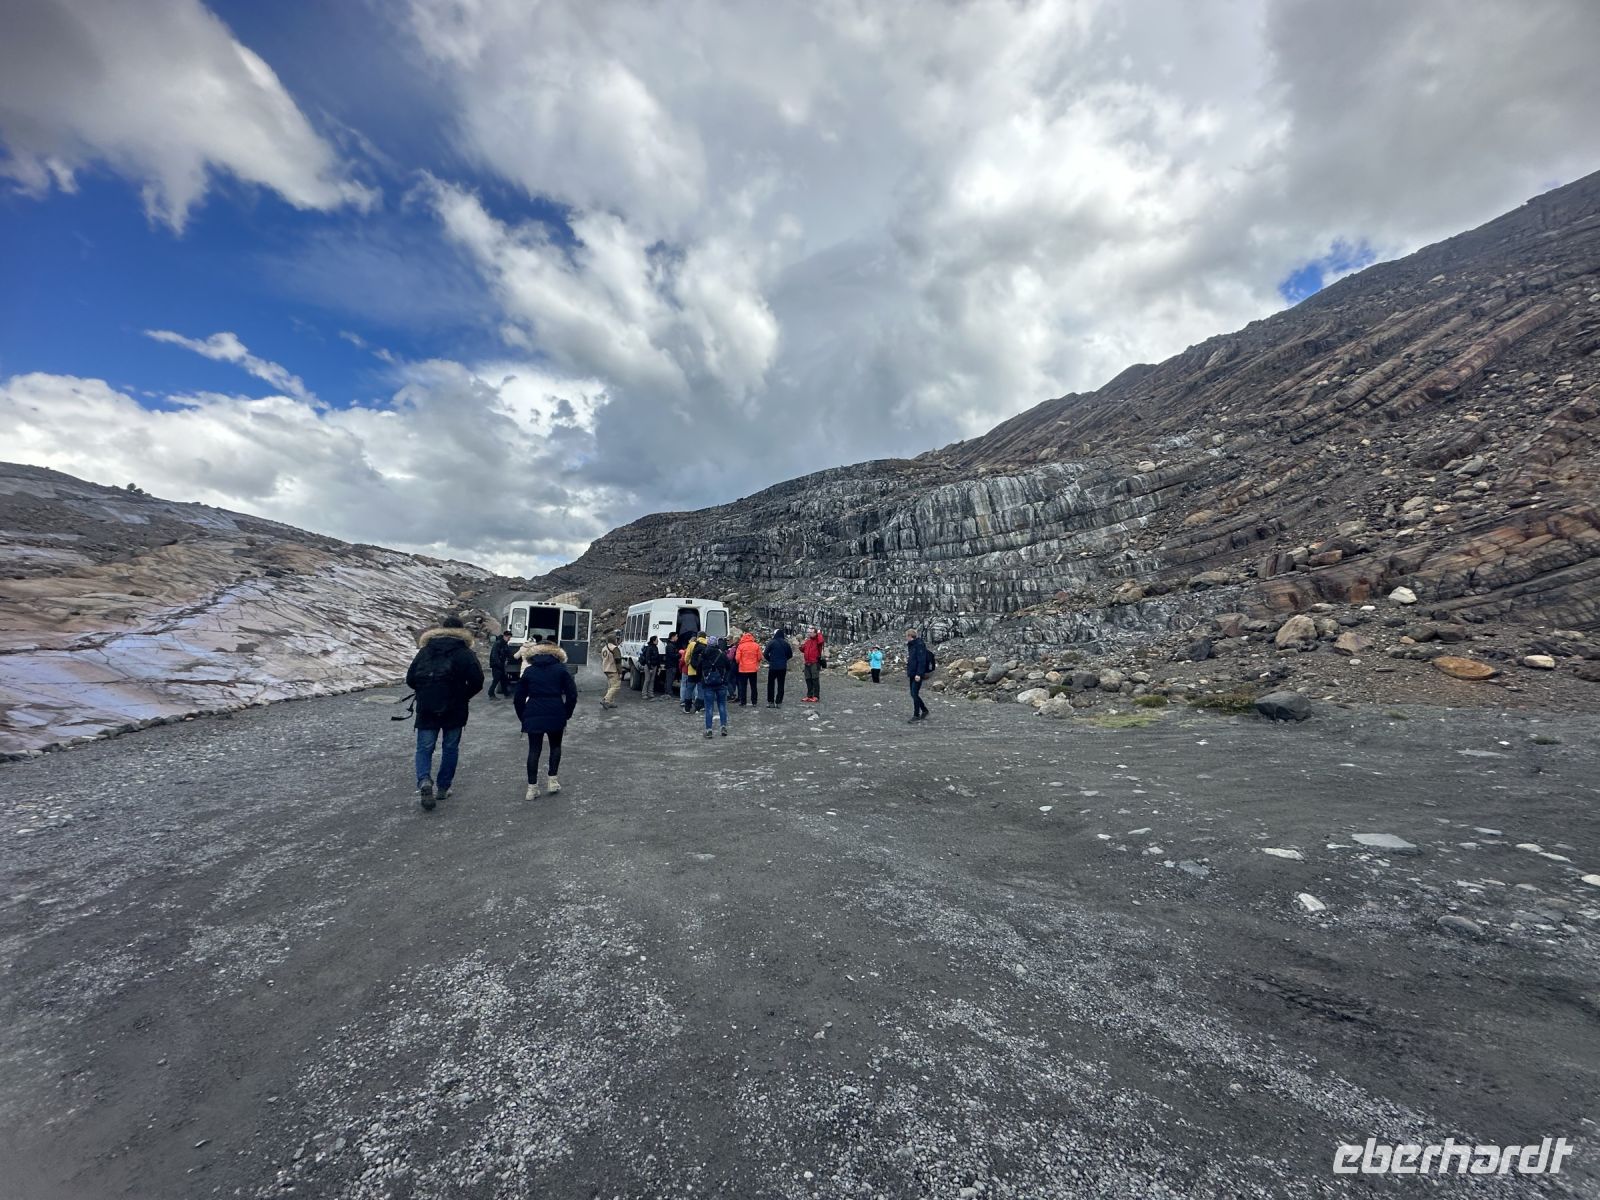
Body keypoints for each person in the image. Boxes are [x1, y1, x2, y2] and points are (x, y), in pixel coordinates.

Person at [405, 614, 484, 810]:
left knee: (424, 748)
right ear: (462, 631)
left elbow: (410, 678)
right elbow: (477, 681)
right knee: (450, 748)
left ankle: (424, 780)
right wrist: (463, 695)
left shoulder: (426, 650)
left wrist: (424, 692)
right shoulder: (464, 652)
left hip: (427, 707)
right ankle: (443, 787)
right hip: (455, 708)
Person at [513, 638, 578, 798]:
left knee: (534, 750)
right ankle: (552, 781)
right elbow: (572, 694)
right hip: (556, 710)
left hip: (533, 710)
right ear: (555, 652)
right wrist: (566, 713)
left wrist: (523, 716)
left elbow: (518, 697)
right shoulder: (561, 669)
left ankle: (531, 789)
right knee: (555, 746)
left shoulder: (529, 670)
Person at [696, 635, 732, 737]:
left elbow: (698, 669)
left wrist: (701, 680)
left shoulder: (704, 655)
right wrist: (725, 679)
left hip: (708, 684)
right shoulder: (722, 654)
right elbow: (729, 667)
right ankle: (723, 727)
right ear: (716, 643)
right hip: (721, 683)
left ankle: (709, 730)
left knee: (709, 707)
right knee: (722, 705)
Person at [905, 627, 934, 723]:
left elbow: (921, 661)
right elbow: (914, 659)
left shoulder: (919, 645)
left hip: (917, 674)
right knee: (913, 693)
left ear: (910, 636)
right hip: (912, 672)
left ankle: (916, 714)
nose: (906, 638)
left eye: (907, 636)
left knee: (914, 693)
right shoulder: (912, 645)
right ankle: (924, 710)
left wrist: (919, 674)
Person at [764, 627, 792, 707]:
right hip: (782, 667)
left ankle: (771, 702)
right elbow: (790, 655)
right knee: (781, 684)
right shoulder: (786, 643)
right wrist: (784, 659)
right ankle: (779, 702)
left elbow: (765, 653)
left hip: (773, 666)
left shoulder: (771, 642)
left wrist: (770, 660)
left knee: (770, 684)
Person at [682, 631, 708, 712]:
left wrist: (689, 663)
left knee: (689, 689)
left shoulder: (692, 644)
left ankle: (687, 708)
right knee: (701, 689)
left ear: (698, 636)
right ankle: (699, 707)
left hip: (692, 671)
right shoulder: (708, 645)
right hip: (702, 671)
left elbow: (686, 657)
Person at [734, 630, 761, 705]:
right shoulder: (756, 645)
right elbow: (759, 657)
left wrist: (739, 663)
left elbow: (737, 658)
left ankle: (743, 702)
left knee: (743, 686)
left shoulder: (740, 646)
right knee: (753, 686)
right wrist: (756, 662)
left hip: (743, 669)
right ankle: (754, 701)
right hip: (753, 669)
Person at [801, 627, 826, 703]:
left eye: (811, 632)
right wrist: (801, 646)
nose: (809, 633)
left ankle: (816, 696)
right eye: (808, 632)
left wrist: (819, 633)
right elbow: (803, 649)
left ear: (815, 633)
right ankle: (809, 696)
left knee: (815, 679)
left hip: (815, 662)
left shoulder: (818, 641)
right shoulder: (808, 641)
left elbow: (821, 641)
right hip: (807, 663)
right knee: (808, 679)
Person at [487, 629, 514, 699]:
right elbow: (494, 655)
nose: (509, 639)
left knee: (503, 680)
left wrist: (514, 657)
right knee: (496, 680)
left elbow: (509, 653)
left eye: (510, 637)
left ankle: (506, 694)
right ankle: (491, 694)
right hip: (496, 665)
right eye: (508, 637)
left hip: (501, 665)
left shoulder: (505, 644)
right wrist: (498, 664)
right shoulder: (498, 643)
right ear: (504, 636)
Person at [600, 632, 622, 709]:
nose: (617, 640)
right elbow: (618, 660)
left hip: (606, 669)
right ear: (613, 640)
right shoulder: (614, 648)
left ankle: (610, 702)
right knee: (616, 686)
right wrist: (620, 671)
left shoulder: (604, 648)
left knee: (611, 686)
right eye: (616, 639)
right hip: (613, 669)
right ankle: (606, 700)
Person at [640, 635, 663, 700]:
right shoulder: (650, 648)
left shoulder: (655, 647)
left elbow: (657, 658)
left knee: (652, 680)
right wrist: (650, 668)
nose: (658, 641)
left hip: (654, 665)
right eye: (656, 640)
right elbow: (647, 658)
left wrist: (658, 667)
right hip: (648, 666)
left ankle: (650, 693)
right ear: (653, 641)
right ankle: (644, 694)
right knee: (647, 679)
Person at [662, 632, 680, 700]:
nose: (677, 638)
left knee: (669, 679)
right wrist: (679, 654)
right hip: (671, 665)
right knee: (670, 679)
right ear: (673, 637)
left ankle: (667, 692)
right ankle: (669, 692)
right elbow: (672, 655)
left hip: (671, 664)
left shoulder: (671, 645)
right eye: (676, 636)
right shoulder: (670, 646)